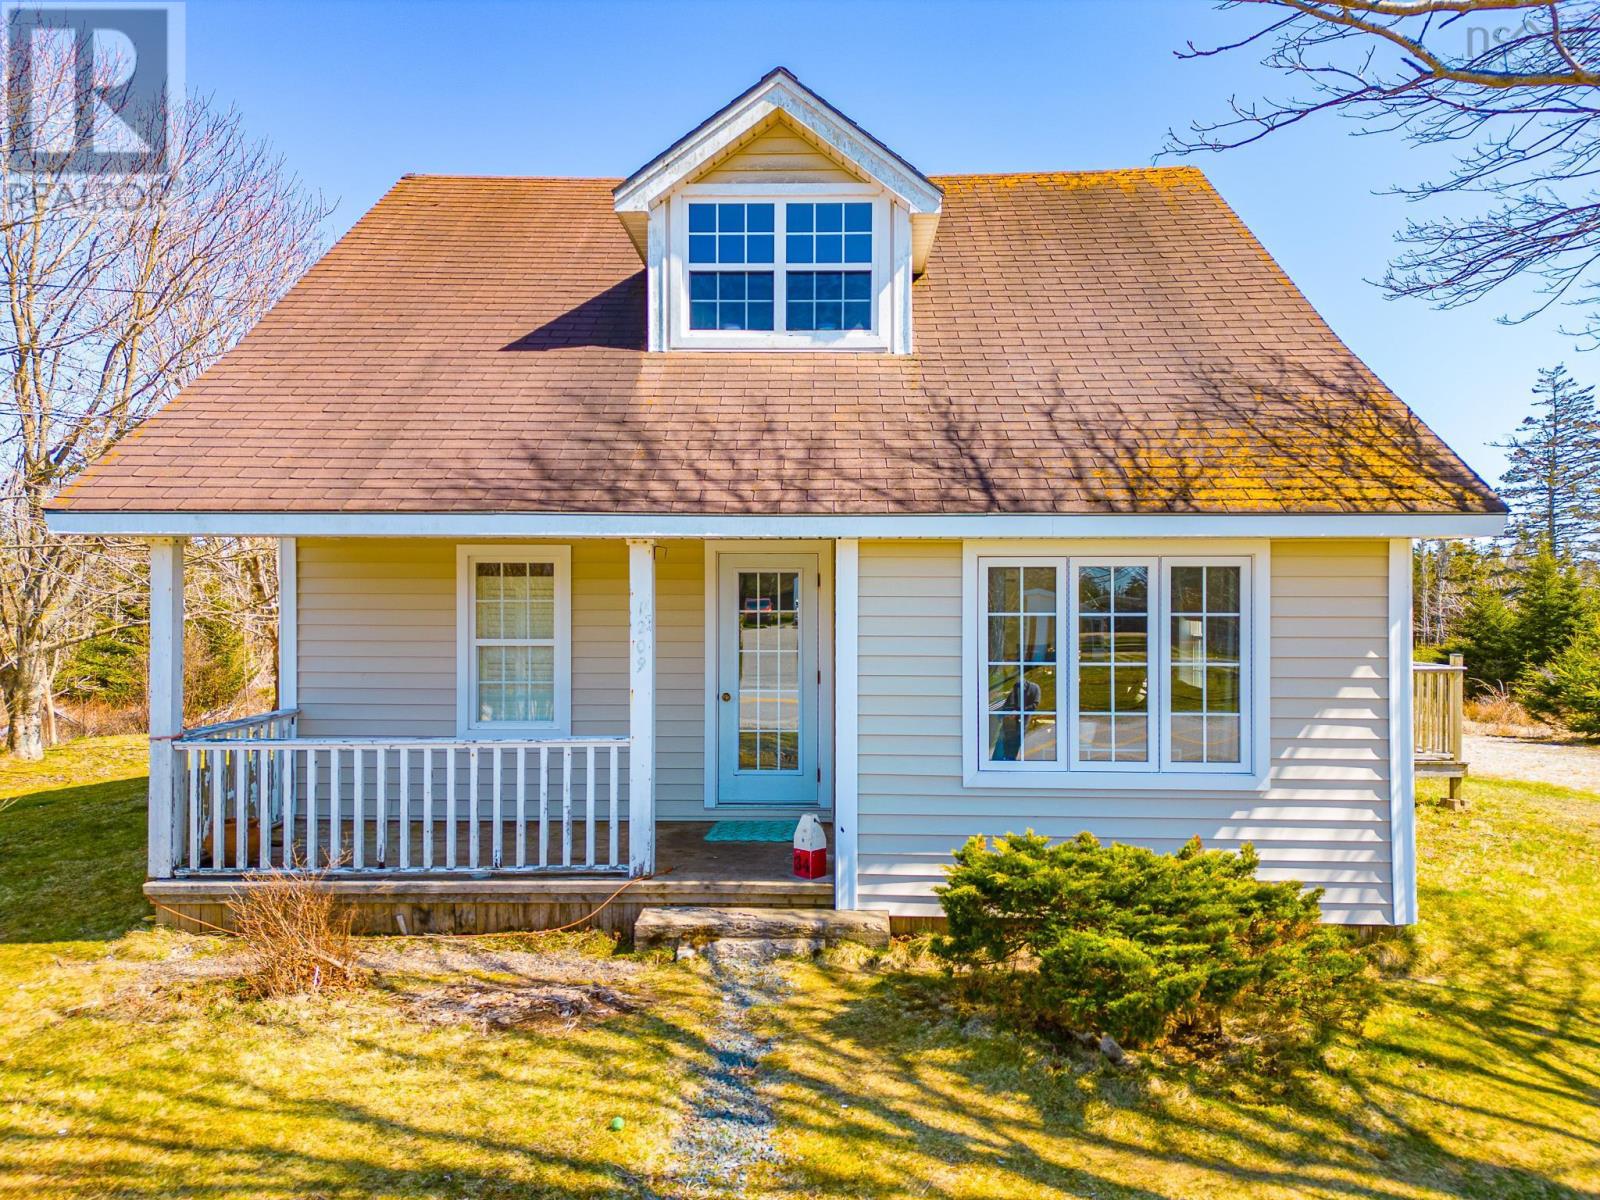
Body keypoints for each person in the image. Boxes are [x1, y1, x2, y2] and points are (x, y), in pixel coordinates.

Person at [991, 676, 1042, 761]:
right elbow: (1008, 703)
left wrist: (1018, 712)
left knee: (1012, 752)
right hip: (1007, 724)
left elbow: (1034, 705)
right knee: (999, 750)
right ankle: (995, 764)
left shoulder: (1034, 688)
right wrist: (1002, 715)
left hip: (1020, 725)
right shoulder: (1015, 687)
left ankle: (1008, 764)